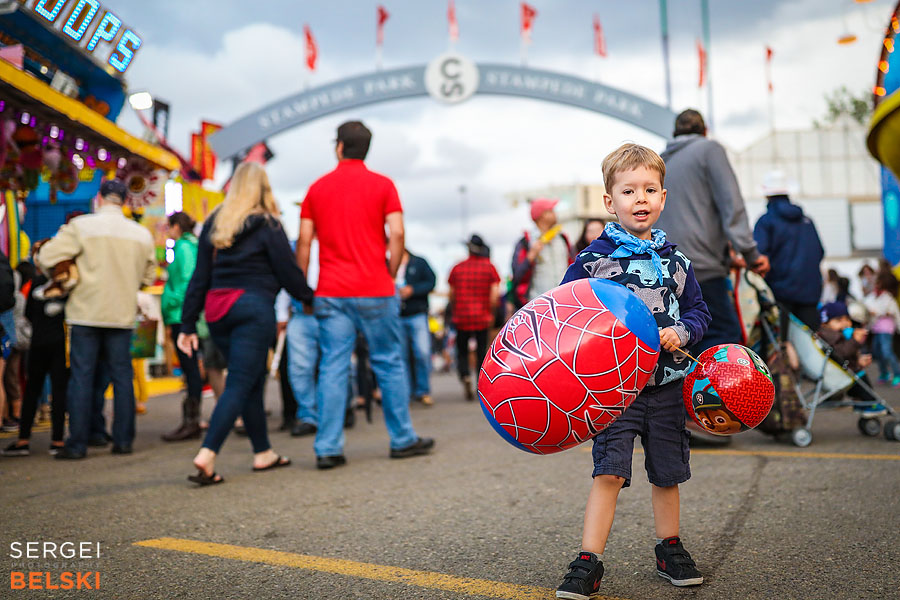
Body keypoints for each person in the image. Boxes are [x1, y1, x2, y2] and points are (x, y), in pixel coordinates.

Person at [555, 143, 711, 597]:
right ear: (610, 202)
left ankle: (670, 548)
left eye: (650, 189)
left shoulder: (677, 262)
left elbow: (700, 312)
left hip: (666, 389)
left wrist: (682, 333)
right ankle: (588, 560)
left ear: (663, 197)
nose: (640, 199)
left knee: (667, 473)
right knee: (608, 472)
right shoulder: (591, 261)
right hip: (613, 392)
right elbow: (566, 314)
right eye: (629, 191)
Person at [298, 120, 434, 470]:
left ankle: (328, 447)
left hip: (331, 290)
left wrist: (302, 286)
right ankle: (402, 439)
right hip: (376, 288)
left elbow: (303, 241)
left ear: (339, 146)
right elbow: (398, 233)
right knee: (388, 362)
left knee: (332, 365)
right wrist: (387, 274)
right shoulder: (384, 185)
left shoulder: (316, 189)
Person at [178, 162, 313, 485]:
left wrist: (187, 325)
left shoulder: (215, 223)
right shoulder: (269, 224)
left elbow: (200, 278)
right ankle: (207, 454)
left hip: (217, 310)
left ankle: (263, 453)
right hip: (253, 308)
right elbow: (288, 272)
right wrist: (309, 298)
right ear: (263, 188)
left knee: (249, 380)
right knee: (241, 380)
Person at [37, 179, 155, 459]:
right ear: (125, 201)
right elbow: (148, 277)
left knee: (81, 377)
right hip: (122, 315)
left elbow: (47, 255)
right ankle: (123, 441)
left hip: (86, 312)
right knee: (122, 377)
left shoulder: (82, 227)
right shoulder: (141, 234)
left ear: (99, 199)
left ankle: (77, 444)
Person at [655, 109, 768, 352]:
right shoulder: (709, 150)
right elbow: (731, 205)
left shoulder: (660, 162)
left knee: (684, 346)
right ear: (704, 131)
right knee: (724, 343)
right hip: (702, 270)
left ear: (675, 134)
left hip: (664, 272)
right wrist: (751, 255)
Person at [2, 241, 68, 456]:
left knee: (32, 389)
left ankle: (23, 440)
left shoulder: (35, 284)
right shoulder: (65, 284)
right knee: (58, 391)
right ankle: (58, 441)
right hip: (57, 342)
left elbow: (28, 313)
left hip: (38, 342)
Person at [752, 170, 825, 331]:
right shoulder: (807, 221)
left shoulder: (766, 222)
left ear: (767, 195)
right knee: (812, 345)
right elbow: (819, 252)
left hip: (779, 296)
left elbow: (757, 256)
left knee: (781, 346)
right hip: (810, 295)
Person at [160, 212, 204, 442]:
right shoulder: (191, 246)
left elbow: (186, 281)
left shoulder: (184, 248)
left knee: (190, 367)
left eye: (170, 227)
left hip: (181, 315)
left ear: (177, 226)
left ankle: (191, 421)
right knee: (191, 366)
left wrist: (172, 303)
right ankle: (192, 419)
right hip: (182, 313)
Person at [448, 235, 500, 401]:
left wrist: (455, 309)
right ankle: (480, 383)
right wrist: (491, 312)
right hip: (482, 317)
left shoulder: (457, 268)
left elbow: (452, 294)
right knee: (481, 352)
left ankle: (465, 375)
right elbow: (494, 295)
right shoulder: (489, 268)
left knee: (462, 350)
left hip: (462, 317)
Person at [817, 302, 888, 417]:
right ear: (825, 324)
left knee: (859, 374)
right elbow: (842, 353)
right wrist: (855, 340)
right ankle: (870, 402)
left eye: (847, 319)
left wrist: (858, 360)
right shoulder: (831, 335)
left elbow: (843, 354)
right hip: (841, 375)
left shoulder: (833, 334)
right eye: (839, 320)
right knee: (860, 377)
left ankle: (864, 402)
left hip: (841, 371)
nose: (845, 323)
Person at [511, 197, 573, 307]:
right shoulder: (526, 242)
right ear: (542, 215)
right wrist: (531, 256)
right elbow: (516, 276)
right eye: (551, 211)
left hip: (564, 302)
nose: (555, 214)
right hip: (538, 304)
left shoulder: (563, 238)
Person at [397, 248, 436, 406]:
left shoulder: (419, 262)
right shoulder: (386, 263)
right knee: (401, 356)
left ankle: (423, 391)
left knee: (422, 353)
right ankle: (405, 393)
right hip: (396, 316)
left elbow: (431, 281)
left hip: (417, 314)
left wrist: (413, 290)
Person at [863, 272, 900, 386]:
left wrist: (879, 313)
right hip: (876, 329)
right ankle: (884, 373)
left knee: (886, 352)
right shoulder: (872, 297)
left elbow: (893, 312)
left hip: (886, 329)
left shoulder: (888, 298)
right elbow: (866, 306)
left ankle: (897, 374)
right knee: (877, 352)